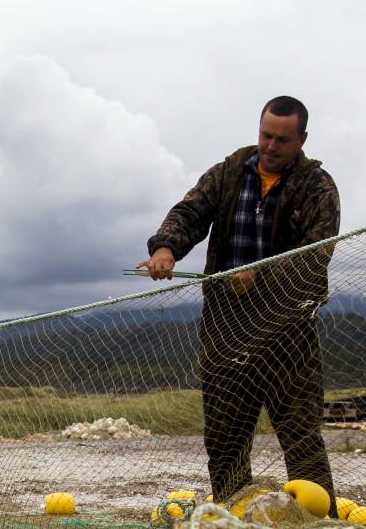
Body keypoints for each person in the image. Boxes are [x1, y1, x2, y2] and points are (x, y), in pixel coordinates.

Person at [138, 96, 341, 507]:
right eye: (266, 135)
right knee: (226, 440)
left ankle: (319, 526)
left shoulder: (318, 187)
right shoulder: (228, 172)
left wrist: (260, 275)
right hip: (226, 328)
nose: (270, 145)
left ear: (301, 139)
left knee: (301, 438)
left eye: (282, 139)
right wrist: (166, 249)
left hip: (289, 331)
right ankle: (236, 522)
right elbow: (189, 213)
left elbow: (317, 255)